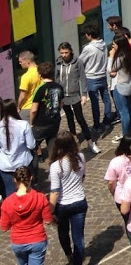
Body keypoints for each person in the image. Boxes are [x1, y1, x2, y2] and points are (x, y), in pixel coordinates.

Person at [0, 166, 53, 265]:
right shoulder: (40, 198)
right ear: (31, 178)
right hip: (37, 239)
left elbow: (4, 227)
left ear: (15, 180)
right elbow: (48, 221)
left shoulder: (7, 203)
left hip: (18, 241)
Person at [49, 130, 88, 265]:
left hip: (63, 205)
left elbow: (55, 192)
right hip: (79, 201)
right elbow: (82, 177)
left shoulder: (56, 166)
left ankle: (69, 254)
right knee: (79, 237)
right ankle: (78, 261)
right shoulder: (81, 157)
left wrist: (51, 211)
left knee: (63, 233)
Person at [55, 43, 100, 154]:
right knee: (69, 117)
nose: (64, 55)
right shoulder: (58, 62)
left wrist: (84, 94)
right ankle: (74, 139)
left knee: (80, 118)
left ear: (70, 51)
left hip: (74, 94)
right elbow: (56, 79)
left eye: (66, 52)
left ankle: (90, 142)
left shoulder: (77, 62)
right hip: (63, 95)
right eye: (62, 53)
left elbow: (82, 78)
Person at [0, 100, 35, 198]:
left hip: (5, 166)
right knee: (26, 192)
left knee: (9, 195)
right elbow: (31, 145)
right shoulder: (23, 124)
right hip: (23, 164)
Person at [79, 24, 111, 130]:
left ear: (89, 35)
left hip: (91, 77)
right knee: (106, 99)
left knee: (95, 102)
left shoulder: (88, 48)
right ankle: (107, 120)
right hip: (102, 75)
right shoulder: (104, 44)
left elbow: (80, 62)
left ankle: (97, 125)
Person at [30, 62, 64, 162]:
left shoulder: (39, 89)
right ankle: (55, 166)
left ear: (39, 75)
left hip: (40, 124)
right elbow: (61, 104)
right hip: (54, 121)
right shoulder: (59, 87)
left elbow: (34, 109)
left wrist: (31, 123)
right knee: (52, 146)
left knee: (33, 147)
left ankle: (35, 168)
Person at [104, 133, 131, 225]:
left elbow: (111, 182)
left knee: (128, 222)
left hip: (122, 196)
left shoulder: (116, 161)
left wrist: (114, 193)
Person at [109, 34, 131, 142]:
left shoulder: (121, 57)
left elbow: (110, 70)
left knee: (123, 112)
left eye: (114, 45)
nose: (113, 47)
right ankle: (127, 132)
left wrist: (111, 56)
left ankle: (126, 134)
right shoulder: (129, 55)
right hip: (129, 86)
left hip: (120, 87)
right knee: (128, 111)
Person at [16, 51, 41, 119]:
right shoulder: (42, 71)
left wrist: (18, 107)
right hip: (41, 105)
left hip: (28, 107)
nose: (20, 63)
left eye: (21, 61)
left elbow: (23, 96)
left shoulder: (26, 77)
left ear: (28, 61)